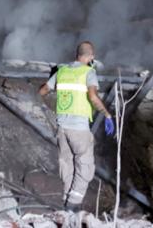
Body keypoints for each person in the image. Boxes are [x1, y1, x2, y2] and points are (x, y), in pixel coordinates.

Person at [37, 41, 112, 211]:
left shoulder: (62, 71)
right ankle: (73, 205)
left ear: (76, 55)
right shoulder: (89, 72)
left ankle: (66, 201)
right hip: (79, 128)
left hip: (62, 128)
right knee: (84, 165)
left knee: (67, 163)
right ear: (91, 56)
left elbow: (42, 91)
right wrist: (107, 114)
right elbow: (93, 97)